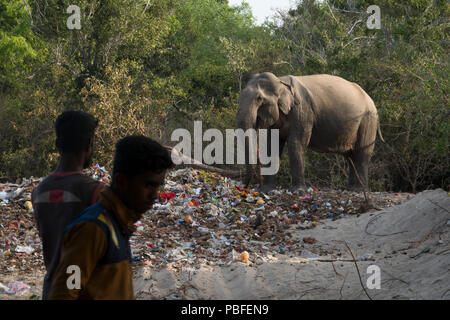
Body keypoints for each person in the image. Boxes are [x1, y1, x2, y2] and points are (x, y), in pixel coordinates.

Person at [48, 135, 173, 299]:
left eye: (158, 186)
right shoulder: (93, 229)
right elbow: (65, 292)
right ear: (122, 182)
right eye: (149, 185)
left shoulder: (118, 225)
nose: (155, 195)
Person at [32, 110, 103, 300]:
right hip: (83, 293)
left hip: (52, 291)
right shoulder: (95, 191)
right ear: (89, 145)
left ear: (57, 144)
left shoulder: (38, 192)